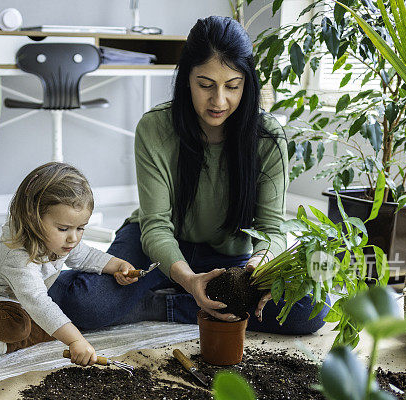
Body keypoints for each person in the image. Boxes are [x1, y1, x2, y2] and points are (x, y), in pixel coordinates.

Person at [49, 16, 327, 334]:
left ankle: (151, 304)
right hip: (152, 246)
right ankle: (167, 296)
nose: (219, 100)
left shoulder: (267, 137)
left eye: (232, 86)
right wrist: (189, 279)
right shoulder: (155, 128)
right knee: (86, 305)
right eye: (205, 85)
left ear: (247, 83)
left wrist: (257, 268)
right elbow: (155, 227)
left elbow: (272, 229)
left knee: (312, 310)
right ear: (187, 79)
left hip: (226, 258)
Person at [0, 162, 139, 366]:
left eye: (81, 228)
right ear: (33, 218)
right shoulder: (18, 256)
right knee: (22, 324)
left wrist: (118, 265)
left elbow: (86, 257)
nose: (73, 238)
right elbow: (38, 302)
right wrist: (76, 340)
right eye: (63, 228)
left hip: (14, 302)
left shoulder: (62, 242)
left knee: (51, 329)